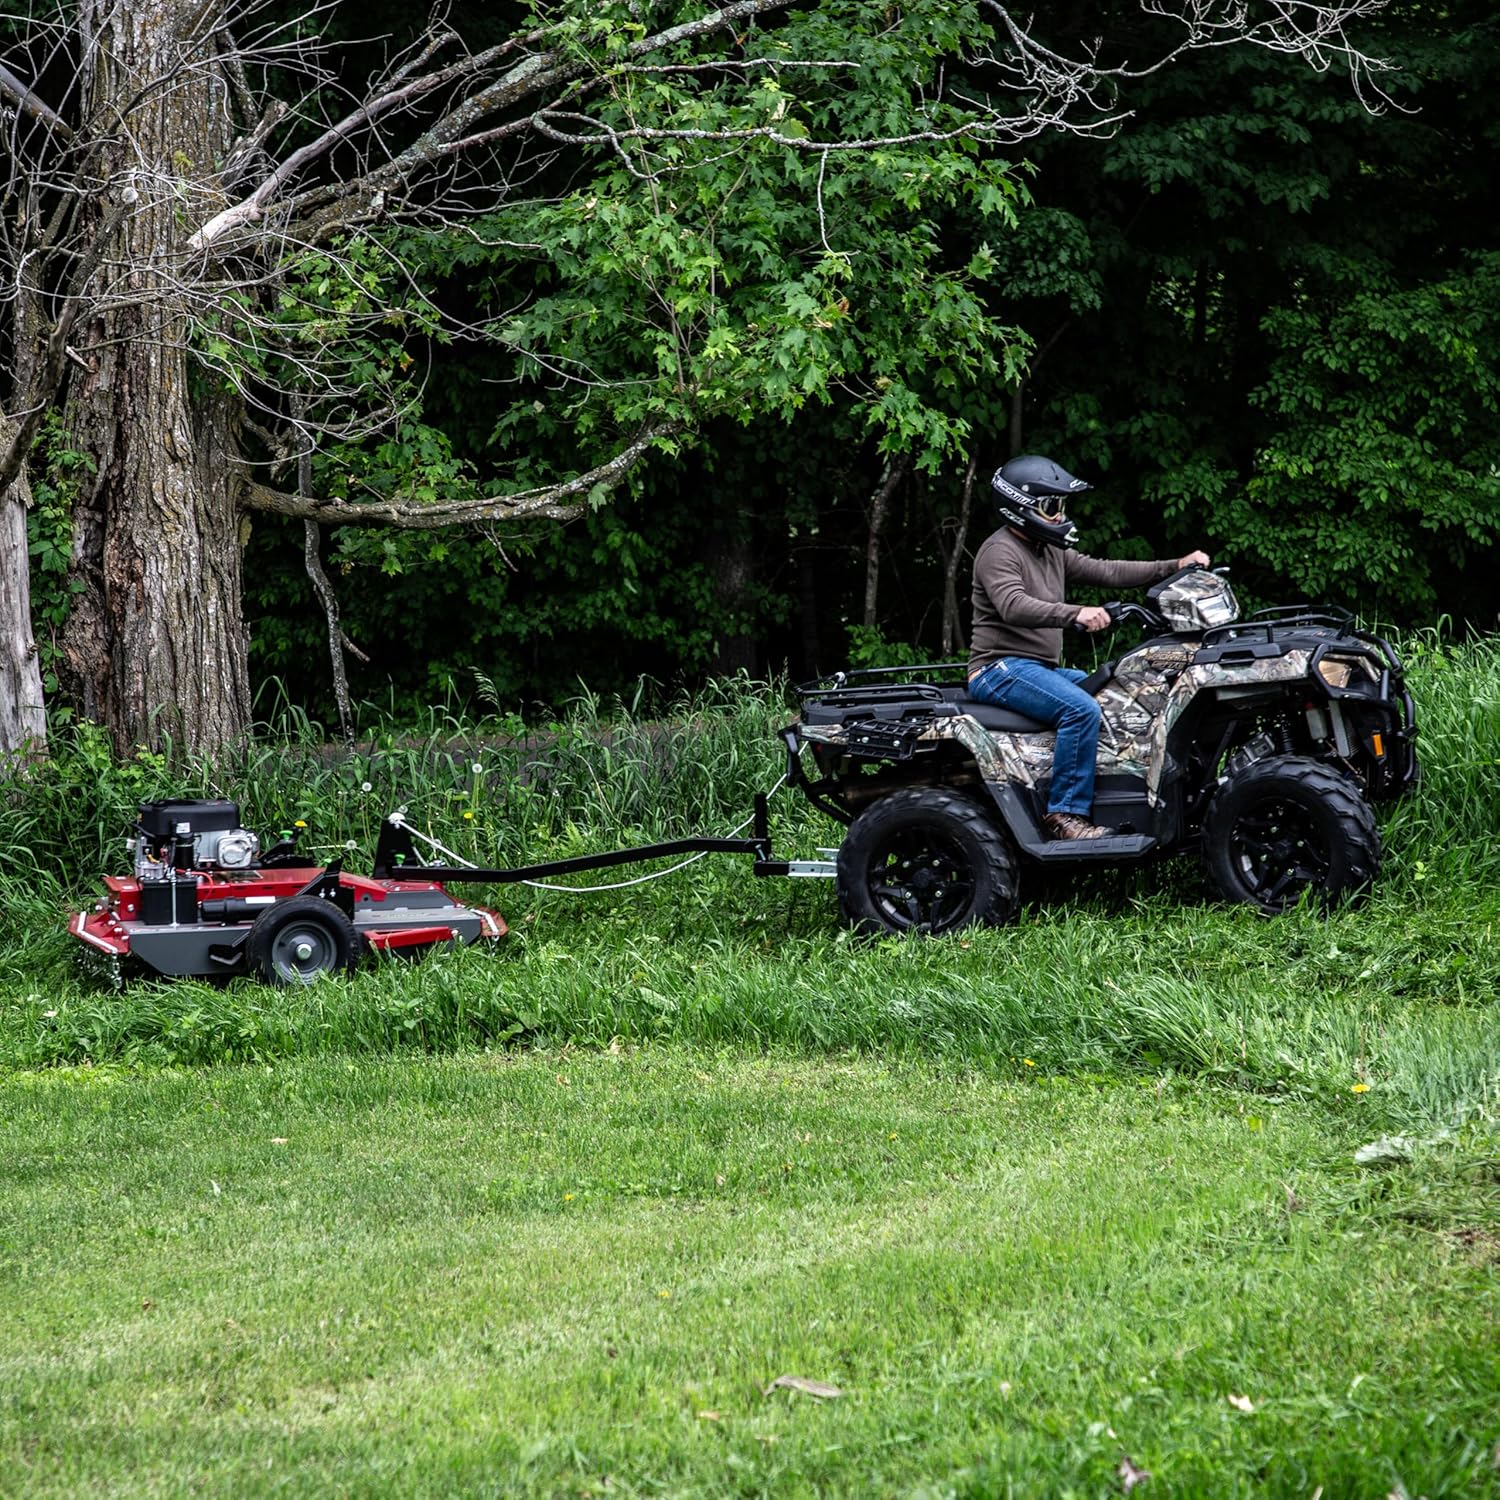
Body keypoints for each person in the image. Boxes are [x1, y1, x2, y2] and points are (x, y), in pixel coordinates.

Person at [967, 455, 1210, 841]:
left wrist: (1175, 564)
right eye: (1051, 506)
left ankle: (1116, 796)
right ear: (1019, 508)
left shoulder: (1049, 549)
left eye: (1060, 505)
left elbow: (1106, 570)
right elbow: (1012, 605)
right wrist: (1075, 613)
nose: (1059, 514)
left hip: (1038, 669)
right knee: (1079, 708)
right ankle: (1065, 815)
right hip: (999, 669)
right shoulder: (999, 551)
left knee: (1118, 693)